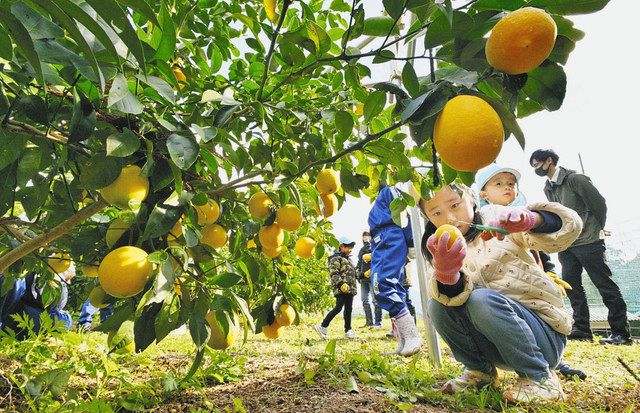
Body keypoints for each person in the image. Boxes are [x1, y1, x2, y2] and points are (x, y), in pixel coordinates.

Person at [419, 183, 583, 402]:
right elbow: (450, 300)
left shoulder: (495, 217)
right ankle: (480, 374)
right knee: (437, 305)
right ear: (427, 217)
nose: (450, 218)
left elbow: (568, 229)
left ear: (471, 198)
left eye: (455, 205)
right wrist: (447, 273)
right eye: (436, 213)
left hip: (542, 339)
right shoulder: (438, 246)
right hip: (497, 347)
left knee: (480, 298)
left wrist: (532, 220)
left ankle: (540, 378)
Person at [475, 164, 587, 380]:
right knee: (513, 323)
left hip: (531, 283)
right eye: (498, 184)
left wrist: (550, 273)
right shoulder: (482, 218)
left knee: (542, 317)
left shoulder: (522, 213)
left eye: (511, 184)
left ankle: (555, 362)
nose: (507, 187)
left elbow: (540, 248)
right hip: (504, 286)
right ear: (483, 193)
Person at [529, 149, 632, 345]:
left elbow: (599, 204)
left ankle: (621, 333)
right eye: (533, 166)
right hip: (567, 243)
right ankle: (582, 329)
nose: (536, 169)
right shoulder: (548, 188)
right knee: (572, 286)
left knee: (604, 285)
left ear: (549, 161)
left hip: (589, 241)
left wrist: (596, 228)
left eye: (537, 164)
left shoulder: (576, 179)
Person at [368, 185, 422, 357]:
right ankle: (405, 339)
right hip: (382, 239)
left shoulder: (390, 191)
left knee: (381, 285)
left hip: (388, 237)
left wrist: (411, 241)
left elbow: (403, 213)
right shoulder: (383, 197)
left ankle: (412, 336)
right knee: (394, 287)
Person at [0, 264, 75, 338]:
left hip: (24, 312)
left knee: (65, 319)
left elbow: (53, 308)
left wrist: (58, 277)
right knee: (15, 277)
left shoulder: (51, 268)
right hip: (13, 311)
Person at [314, 236, 359, 340]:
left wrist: (362, 274)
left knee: (348, 309)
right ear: (341, 246)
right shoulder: (335, 258)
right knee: (338, 308)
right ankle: (322, 326)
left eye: (351, 247)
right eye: (348, 247)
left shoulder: (349, 260)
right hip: (341, 289)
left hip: (350, 289)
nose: (350, 249)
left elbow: (354, 274)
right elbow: (334, 273)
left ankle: (348, 330)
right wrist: (340, 284)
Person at [355, 231, 382, 328]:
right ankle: (369, 322)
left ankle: (378, 322)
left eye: (367, 236)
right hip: (363, 278)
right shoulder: (361, 250)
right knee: (364, 300)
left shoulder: (374, 247)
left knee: (375, 300)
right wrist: (357, 272)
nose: (365, 238)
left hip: (372, 277)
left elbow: (378, 258)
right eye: (364, 236)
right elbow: (359, 262)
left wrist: (369, 244)